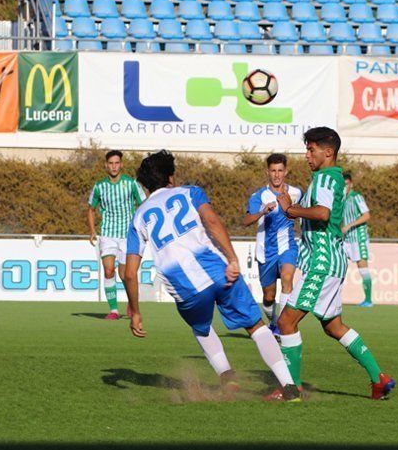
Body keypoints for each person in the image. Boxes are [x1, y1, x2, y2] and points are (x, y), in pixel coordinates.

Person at [123, 150, 301, 401]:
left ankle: (227, 378)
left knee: (202, 327)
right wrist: (232, 258)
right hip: (218, 270)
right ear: (171, 178)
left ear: (144, 185)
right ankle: (289, 387)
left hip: (183, 285)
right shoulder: (190, 192)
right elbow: (213, 222)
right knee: (256, 326)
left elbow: (129, 273)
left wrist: (135, 311)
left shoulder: (138, 216)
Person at [273, 127, 395, 400]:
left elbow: (323, 213)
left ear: (328, 152)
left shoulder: (327, 178)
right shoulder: (325, 178)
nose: (307, 155)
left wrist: (291, 210)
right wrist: (293, 207)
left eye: (311, 150)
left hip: (322, 262)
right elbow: (315, 214)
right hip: (330, 261)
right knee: (333, 327)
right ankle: (379, 378)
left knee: (286, 322)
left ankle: (291, 388)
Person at [242, 153, 303, 333]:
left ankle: (285, 327)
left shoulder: (297, 192)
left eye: (280, 170)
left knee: (287, 278)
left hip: (287, 247)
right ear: (267, 172)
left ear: (286, 171)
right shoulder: (259, 196)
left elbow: (307, 210)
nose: (277, 175)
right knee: (268, 297)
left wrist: (295, 208)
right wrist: (262, 211)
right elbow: (246, 221)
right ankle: (274, 322)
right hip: (265, 252)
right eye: (273, 171)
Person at [87, 150, 145, 320]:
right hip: (107, 234)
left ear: (121, 164)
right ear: (106, 165)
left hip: (128, 235)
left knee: (125, 275)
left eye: (117, 163)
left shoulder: (132, 183)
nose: (114, 166)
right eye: (110, 163)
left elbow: (143, 205)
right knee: (108, 270)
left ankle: (132, 304)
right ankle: (113, 310)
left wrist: (142, 228)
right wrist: (92, 231)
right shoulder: (99, 186)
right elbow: (91, 209)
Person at [341, 171, 373, 307]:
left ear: (351, 185)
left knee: (362, 267)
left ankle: (368, 300)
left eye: (347, 185)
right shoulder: (341, 199)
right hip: (346, 239)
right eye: (343, 185)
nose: (345, 187)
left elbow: (366, 215)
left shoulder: (356, 197)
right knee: (338, 264)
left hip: (358, 238)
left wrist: (349, 226)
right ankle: (333, 297)